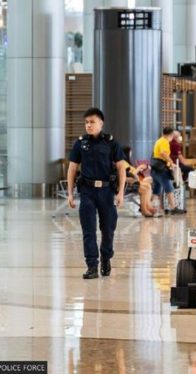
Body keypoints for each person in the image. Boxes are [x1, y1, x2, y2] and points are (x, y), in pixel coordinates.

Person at [67, 107, 127, 279]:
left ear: (101, 123)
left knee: (108, 229)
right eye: (86, 122)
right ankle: (92, 265)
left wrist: (121, 193)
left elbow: (121, 168)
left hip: (107, 192)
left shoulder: (111, 143)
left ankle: (106, 257)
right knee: (88, 230)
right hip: (87, 192)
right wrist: (70, 194)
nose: (88, 125)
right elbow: (72, 169)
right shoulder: (80, 144)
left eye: (92, 122)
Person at [151, 127, 183, 215]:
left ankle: (153, 208)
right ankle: (173, 208)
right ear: (171, 134)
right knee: (169, 188)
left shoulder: (159, 140)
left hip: (155, 168)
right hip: (161, 169)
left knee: (157, 189)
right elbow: (163, 153)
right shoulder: (164, 141)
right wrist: (171, 162)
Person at [121, 147, 157, 217]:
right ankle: (144, 209)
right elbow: (130, 174)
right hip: (129, 183)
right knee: (146, 187)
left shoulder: (127, 163)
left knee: (148, 185)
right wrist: (139, 168)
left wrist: (141, 169)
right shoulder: (123, 163)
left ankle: (147, 206)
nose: (131, 154)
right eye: (130, 153)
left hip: (134, 180)